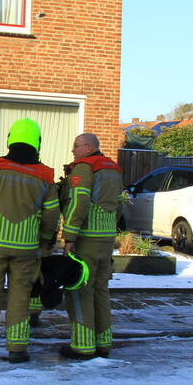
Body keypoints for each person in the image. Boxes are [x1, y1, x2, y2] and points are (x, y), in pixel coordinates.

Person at [0, 118, 60, 363]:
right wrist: (44, 241)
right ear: (37, 142)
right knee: (20, 298)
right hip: (26, 249)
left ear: (10, 139)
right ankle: (17, 350)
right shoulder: (45, 175)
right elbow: (51, 215)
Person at [59, 132, 124, 360]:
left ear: (88, 147)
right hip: (106, 238)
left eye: (75, 146)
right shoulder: (113, 169)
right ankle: (103, 342)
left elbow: (79, 202)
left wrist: (70, 236)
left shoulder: (85, 167)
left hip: (86, 238)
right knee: (101, 290)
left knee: (80, 290)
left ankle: (83, 345)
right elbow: (121, 204)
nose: (72, 151)